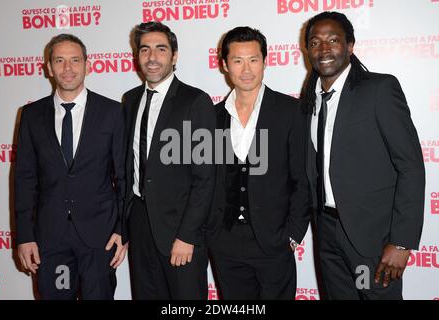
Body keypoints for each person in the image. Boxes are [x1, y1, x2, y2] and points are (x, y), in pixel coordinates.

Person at [302, 11, 425, 299]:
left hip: (371, 240)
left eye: (333, 40)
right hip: (328, 234)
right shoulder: (311, 99)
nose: (323, 49)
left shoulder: (379, 89)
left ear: (350, 45)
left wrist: (402, 242)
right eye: (315, 42)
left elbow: (410, 167)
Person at [15, 34, 127, 299]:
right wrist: (25, 236)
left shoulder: (112, 112)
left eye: (75, 60)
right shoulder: (32, 115)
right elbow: (24, 178)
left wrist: (122, 229)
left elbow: (124, 175)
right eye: (60, 61)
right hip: (52, 239)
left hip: (99, 237)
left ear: (87, 65)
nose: (68, 69)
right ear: (48, 67)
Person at [206, 26, 311, 299]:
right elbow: (206, 179)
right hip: (225, 242)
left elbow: (303, 177)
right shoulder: (213, 117)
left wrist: (292, 235)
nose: (247, 69)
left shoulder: (290, 111)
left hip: (273, 242)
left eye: (253, 59)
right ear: (224, 65)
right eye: (237, 61)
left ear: (265, 61)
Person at [122, 22, 216, 299]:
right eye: (145, 50)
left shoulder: (196, 101)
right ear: (137, 56)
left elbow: (205, 177)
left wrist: (187, 235)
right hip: (139, 223)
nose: (152, 57)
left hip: (180, 228)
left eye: (161, 49)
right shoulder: (130, 100)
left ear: (174, 56)